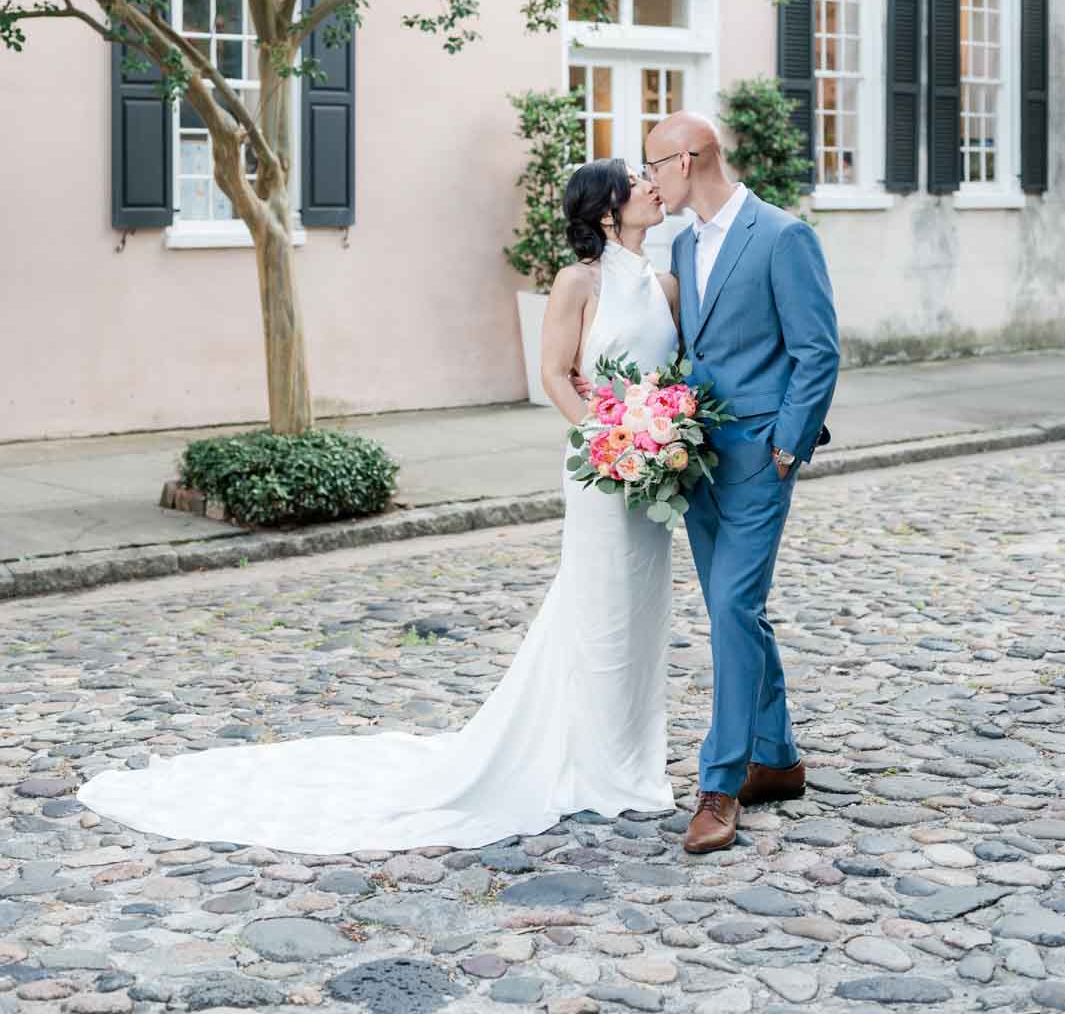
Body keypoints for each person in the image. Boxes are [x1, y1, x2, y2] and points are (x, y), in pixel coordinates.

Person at [77, 161, 682, 853]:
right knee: (598, 609)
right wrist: (605, 441)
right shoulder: (580, 282)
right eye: (637, 181)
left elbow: (673, 377)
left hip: (652, 477)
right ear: (606, 210)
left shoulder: (664, 286)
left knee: (642, 611)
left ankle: (630, 761)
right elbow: (552, 373)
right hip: (602, 470)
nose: (651, 186)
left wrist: (663, 437)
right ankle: (588, 764)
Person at [641, 110, 839, 855]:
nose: (648, 178)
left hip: (759, 458)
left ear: (688, 160)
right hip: (695, 460)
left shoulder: (782, 236)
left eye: (653, 163)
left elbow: (816, 350)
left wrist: (786, 448)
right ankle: (778, 759)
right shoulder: (683, 242)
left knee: (729, 607)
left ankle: (719, 785)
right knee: (740, 614)